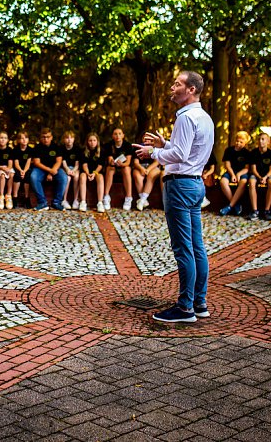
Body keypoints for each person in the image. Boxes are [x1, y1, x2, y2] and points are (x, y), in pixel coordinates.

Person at [134, 70, 214, 323]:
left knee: (183, 248)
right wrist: (164, 145)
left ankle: (185, 308)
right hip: (195, 183)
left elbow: (180, 155)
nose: (172, 87)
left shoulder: (186, 117)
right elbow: (187, 151)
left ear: (191, 90)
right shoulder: (204, 117)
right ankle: (199, 303)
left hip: (180, 185)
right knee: (196, 246)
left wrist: (152, 153)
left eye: (177, 84)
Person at [29, 128, 67, 211]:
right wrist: (49, 171)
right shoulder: (37, 148)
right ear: (40, 138)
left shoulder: (56, 147)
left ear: (51, 137)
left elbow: (59, 161)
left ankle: (56, 203)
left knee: (64, 177)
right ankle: (42, 203)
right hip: (41, 169)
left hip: (55, 169)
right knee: (33, 177)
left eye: (48, 137)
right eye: (43, 137)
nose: (46, 139)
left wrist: (51, 172)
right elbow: (37, 163)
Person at [218, 131, 252, 216]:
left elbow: (247, 168)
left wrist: (238, 175)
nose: (238, 143)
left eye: (241, 142)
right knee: (223, 182)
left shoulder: (247, 153)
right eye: (237, 141)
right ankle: (234, 204)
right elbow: (227, 165)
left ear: (245, 143)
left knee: (243, 182)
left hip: (242, 172)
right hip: (231, 171)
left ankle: (229, 206)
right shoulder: (229, 150)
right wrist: (233, 175)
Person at [247, 133, 271, 220]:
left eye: (263, 139)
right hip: (256, 174)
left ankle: (267, 210)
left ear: (268, 141)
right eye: (259, 139)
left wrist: (265, 177)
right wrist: (260, 177)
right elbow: (253, 169)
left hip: (267, 175)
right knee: (251, 182)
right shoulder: (253, 153)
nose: (261, 141)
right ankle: (255, 210)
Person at [104, 128, 135, 211]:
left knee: (126, 169)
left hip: (124, 165)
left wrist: (122, 164)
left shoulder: (127, 145)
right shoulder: (109, 145)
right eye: (115, 134)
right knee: (110, 169)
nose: (118, 136)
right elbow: (110, 160)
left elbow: (128, 162)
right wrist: (112, 162)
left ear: (123, 135)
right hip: (113, 166)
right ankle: (106, 196)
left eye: (119, 133)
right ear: (112, 136)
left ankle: (128, 197)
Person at [78, 133, 105, 212]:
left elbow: (100, 165)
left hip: (96, 171)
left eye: (94, 140)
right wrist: (88, 173)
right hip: (86, 171)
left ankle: (100, 202)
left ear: (97, 141)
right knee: (82, 176)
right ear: (87, 141)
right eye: (90, 140)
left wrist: (94, 173)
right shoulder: (83, 151)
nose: (92, 142)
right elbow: (84, 164)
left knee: (100, 177)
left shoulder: (101, 151)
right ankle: (83, 202)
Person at [60, 131, 81, 210]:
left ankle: (76, 200)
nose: (69, 140)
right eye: (67, 138)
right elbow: (64, 163)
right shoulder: (62, 149)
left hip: (75, 168)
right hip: (65, 168)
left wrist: (73, 171)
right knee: (67, 178)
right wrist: (68, 170)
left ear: (74, 139)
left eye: (71, 138)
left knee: (76, 177)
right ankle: (64, 200)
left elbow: (77, 164)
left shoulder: (77, 149)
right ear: (63, 139)